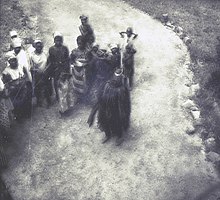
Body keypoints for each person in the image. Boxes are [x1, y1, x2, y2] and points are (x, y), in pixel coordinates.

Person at [87, 68, 131, 146]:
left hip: (116, 110)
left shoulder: (122, 89)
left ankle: (119, 136)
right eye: (115, 78)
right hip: (106, 108)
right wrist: (92, 114)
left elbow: (125, 103)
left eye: (118, 78)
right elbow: (99, 99)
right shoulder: (107, 85)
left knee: (117, 123)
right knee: (104, 122)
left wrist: (124, 114)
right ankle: (108, 135)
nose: (116, 80)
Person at [2, 55, 31, 120]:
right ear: (9, 62)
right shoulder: (6, 71)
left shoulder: (20, 66)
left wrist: (23, 79)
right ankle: (19, 116)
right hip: (14, 89)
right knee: (16, 103)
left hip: (23, 87)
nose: (14, 62)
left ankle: (27, 114)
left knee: (25, 100)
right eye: (12, 61)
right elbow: (5, 83)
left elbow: (25, 74)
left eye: (15, 60)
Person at [47, 32, 70, 101]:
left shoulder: (65, 48)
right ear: (54, 41)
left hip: (63, 68)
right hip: (55, 69)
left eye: (60, 40)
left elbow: (67, 59)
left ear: (62, 41)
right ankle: (58, 96)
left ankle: (64, 97)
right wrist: (51, 71)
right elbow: (50, 60)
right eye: (57, 40)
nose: (58, 42)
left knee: (64, 83)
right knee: (56, 83)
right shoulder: (51, 49)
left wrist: (67, 69)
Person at [70, 35, 92, 105]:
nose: (80, 45)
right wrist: (75, 64)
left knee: (85, 84)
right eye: (78, 43)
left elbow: (90, 61)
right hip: (76, 70)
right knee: (76, 84)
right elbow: (71, 60)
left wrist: (85, 64)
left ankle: (85, 99)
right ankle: (78, 99)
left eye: (82, 43)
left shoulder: (87, 52)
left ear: (84, 43)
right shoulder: (74, 51)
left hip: (85, 70)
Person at [29, 39, 49, 106]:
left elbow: (49, 62)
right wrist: (36, 70)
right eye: (37, 46)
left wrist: (46, 70)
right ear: (35, 47)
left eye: (40, 46)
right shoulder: (32, 55)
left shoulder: (45, 53)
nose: (39, 48)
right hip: (36, 74)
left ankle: (46, 101)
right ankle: (38, 101)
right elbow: (31, 66)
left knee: (45, 87)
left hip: (45, 73)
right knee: (37, 87)